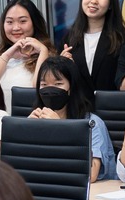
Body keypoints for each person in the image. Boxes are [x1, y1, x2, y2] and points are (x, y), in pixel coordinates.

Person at [28, 54, 111, 182]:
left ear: (71, 87)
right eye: (44, 84)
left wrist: (60, 130)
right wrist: (26, 132)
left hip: (92, 190)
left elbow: (91, 174)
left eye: (58, 84)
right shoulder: (35, 119)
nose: (50, 90)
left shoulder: (92, 123)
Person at [60, 0, 125, 99]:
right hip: (78, 108)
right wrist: (63, 65)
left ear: (111, 4)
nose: (94, 1)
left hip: (112, 108)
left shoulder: (123, 38)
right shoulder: (69, 38)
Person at [0, 0, 51, 94]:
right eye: (10, 22)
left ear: (34, 23)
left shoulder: (48, 56)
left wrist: (43, 51)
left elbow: (40, 90)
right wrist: (7, 55)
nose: (16, 28)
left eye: (23, 21)